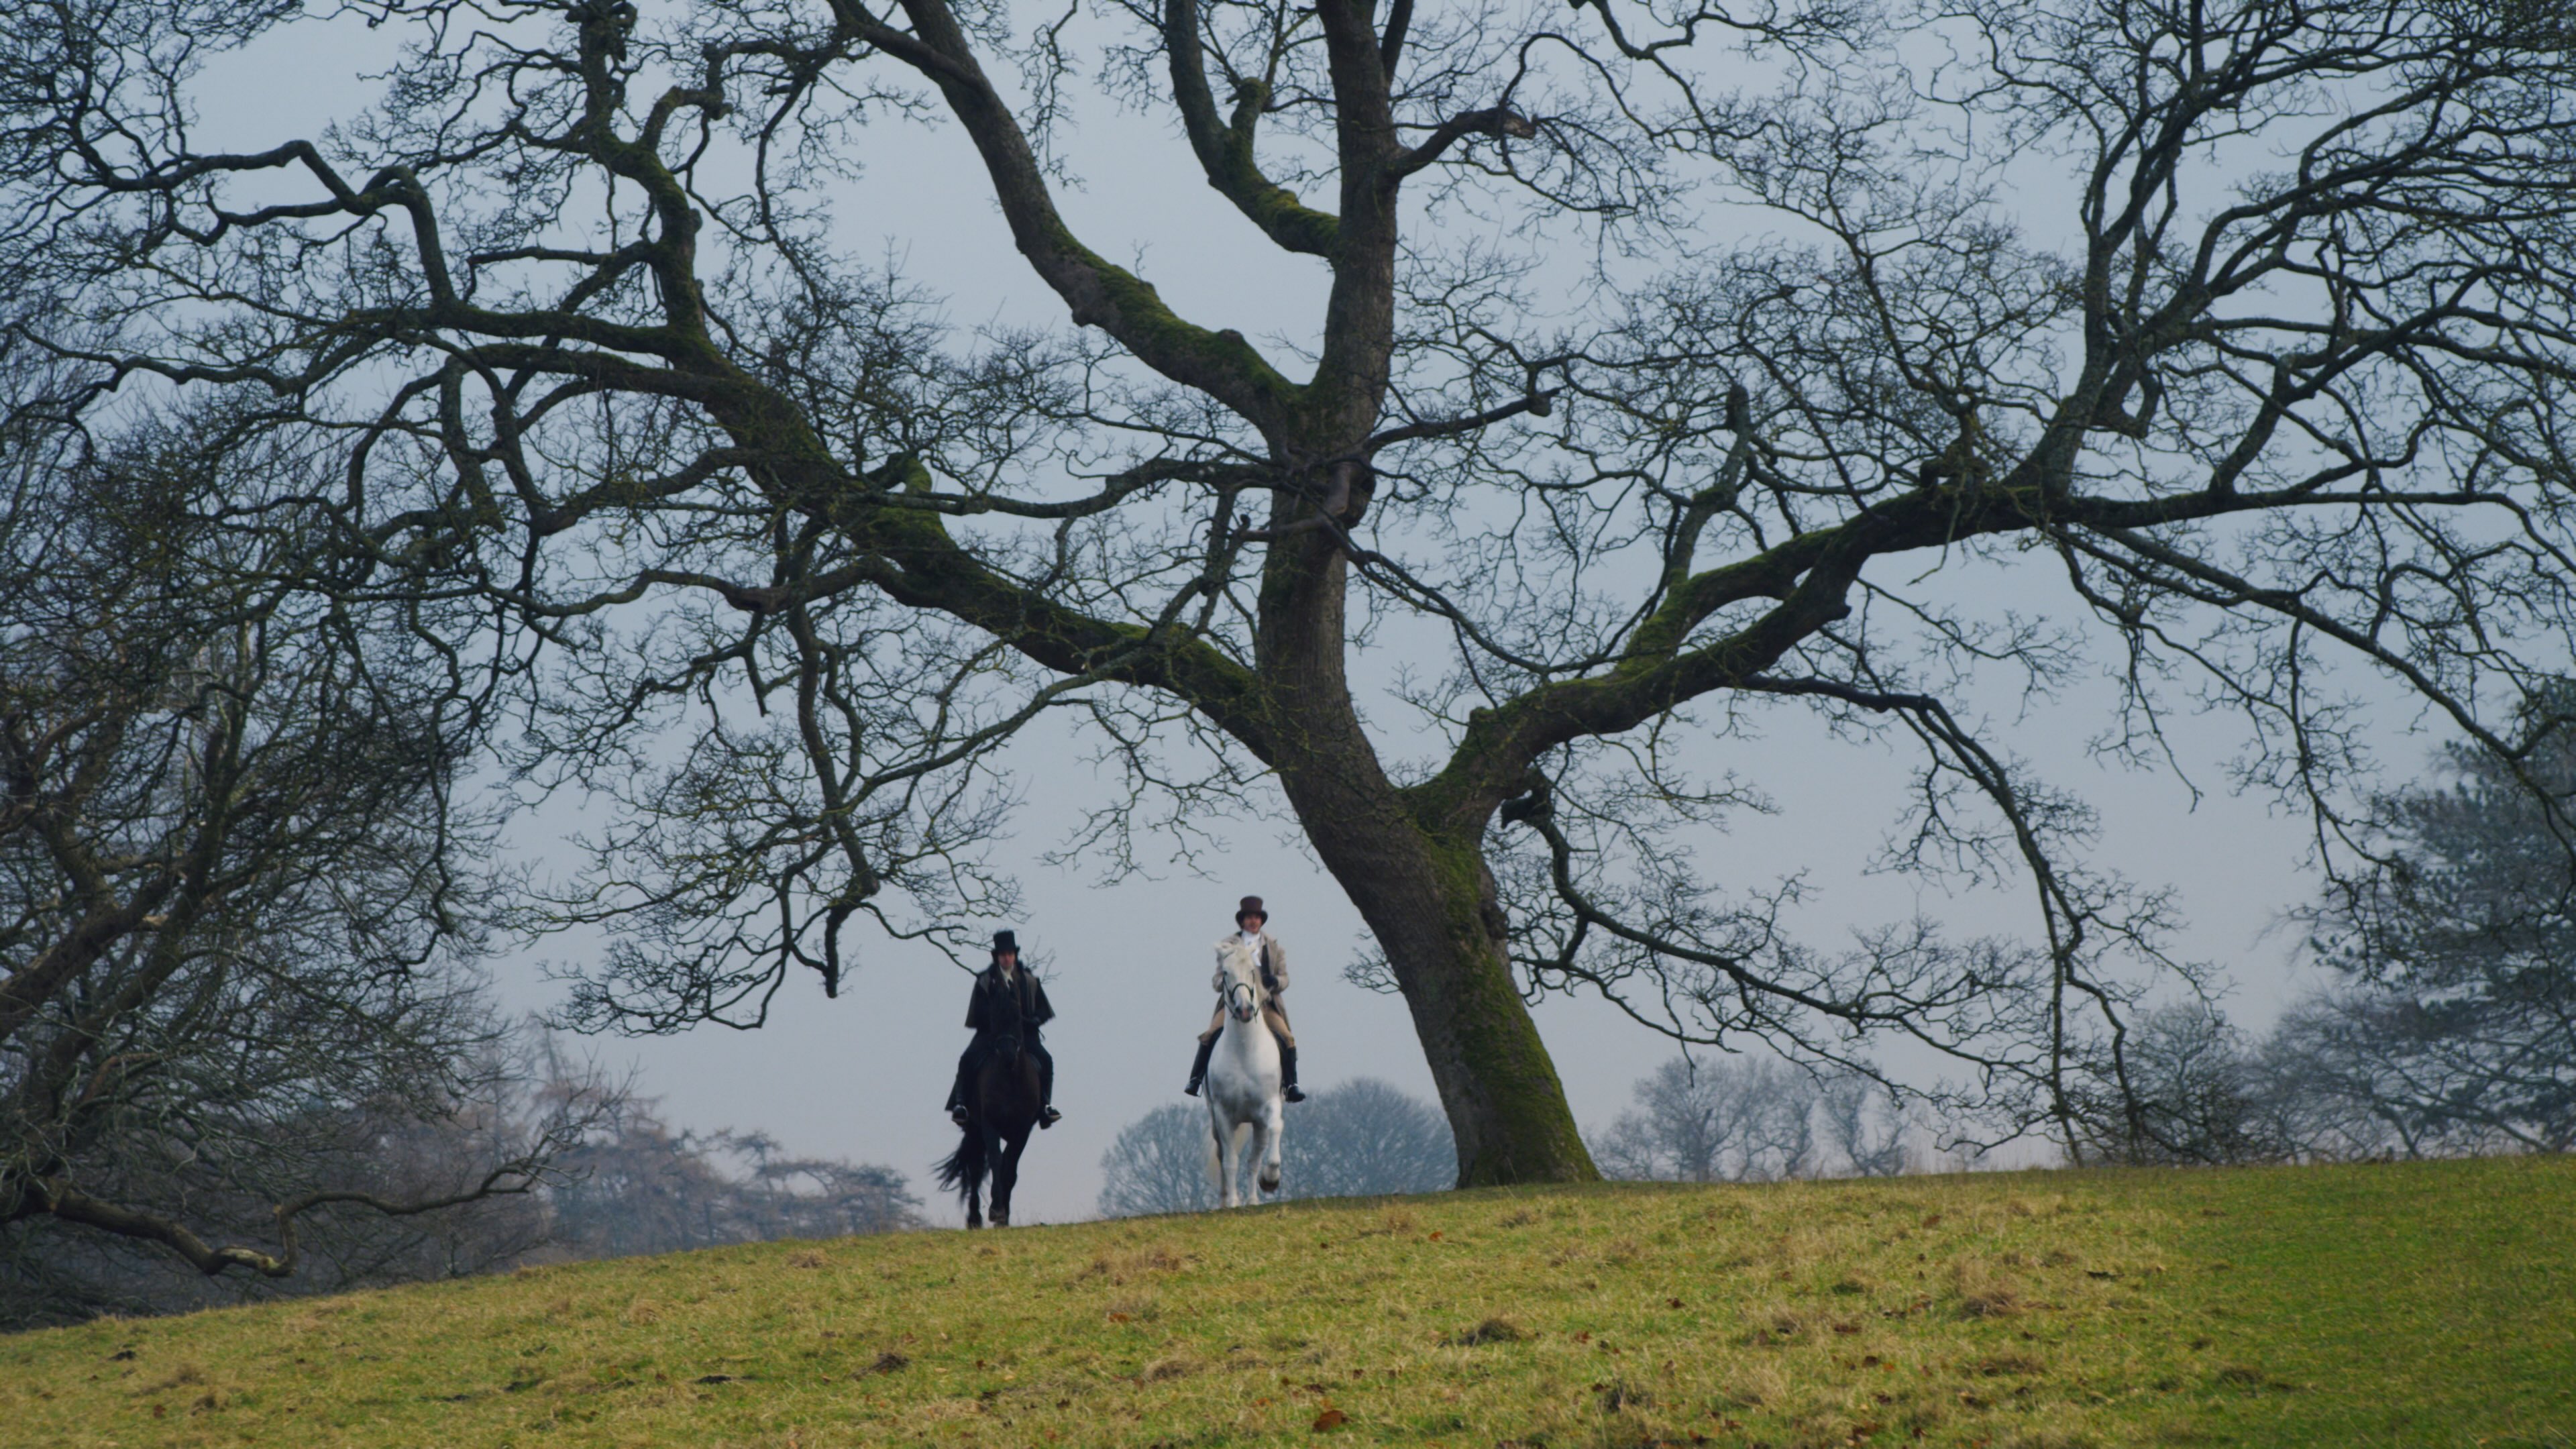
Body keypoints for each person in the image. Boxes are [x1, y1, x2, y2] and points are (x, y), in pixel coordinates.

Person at [1186, 895, 1303, 1102]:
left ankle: (1291, 1085)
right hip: (1233, 1006)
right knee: (1209, 1034)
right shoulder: (1228, 945)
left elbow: (1286, 978)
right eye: (1249, 918)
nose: (1253, 921)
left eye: (1257, 918)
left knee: (1287, 1038)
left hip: (1266, 1005)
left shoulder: (1275, 948)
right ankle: (1195, 1079)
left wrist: (1275, 981)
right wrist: (1225, 983)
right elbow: (1217, 979)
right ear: (1242, 921)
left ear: (1261, 920)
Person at [945, 930, 1061, 1129]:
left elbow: (1043, 1009)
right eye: (1003, 955)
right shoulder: (984, 981)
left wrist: (1035, 1020)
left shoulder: (1029, 981)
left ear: (1014, 956)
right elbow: (978, 1012)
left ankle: (1045, 1106)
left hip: (1024, 1035)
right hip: (991, 1034)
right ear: (997, 957)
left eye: (1010, 954)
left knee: (1047, 1060)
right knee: (967, 1059)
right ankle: (961, 1105)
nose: (1006, 958)